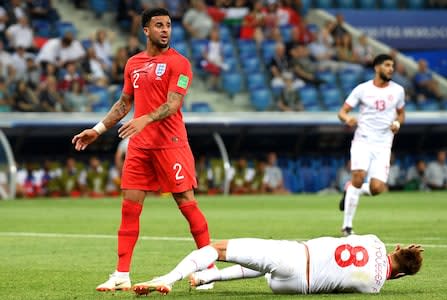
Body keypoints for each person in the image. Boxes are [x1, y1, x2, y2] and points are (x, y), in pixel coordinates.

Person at [72, 8, 213, 292]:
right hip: (139, 146)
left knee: (186, 203)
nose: (165, 30)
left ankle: (207, 272)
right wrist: (97, 130)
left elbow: (173, 104)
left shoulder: (180, 64)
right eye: (159, 25)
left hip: (170, 144)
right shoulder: (133, 63)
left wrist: (145, 118)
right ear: (145, 30)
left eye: (169, 25)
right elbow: (124, 104)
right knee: (129, 207)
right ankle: (121, 274)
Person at [132, 234, 423, 296]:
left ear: (396, 248)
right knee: (267, 265)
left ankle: (169, 278)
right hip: (295, 288)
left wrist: (402, 252)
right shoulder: (374, 287)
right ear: (402, 275)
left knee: (216, 248)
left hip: (298, 255)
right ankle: (208, 279)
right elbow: (386, 273)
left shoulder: (373, 240)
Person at [337, 54, 405, 236]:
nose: (391, 69)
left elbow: (401, 114)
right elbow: (342, 112)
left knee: (377, 189)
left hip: (383, 145)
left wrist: (397, 123)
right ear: (377, 68)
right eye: (387, 65)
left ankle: (351, 190)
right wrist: (347, 119)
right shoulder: (362, 89)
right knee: (358, 177)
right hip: (363, 140)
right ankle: (347, 227)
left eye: (392, 66)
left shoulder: (398, 91)